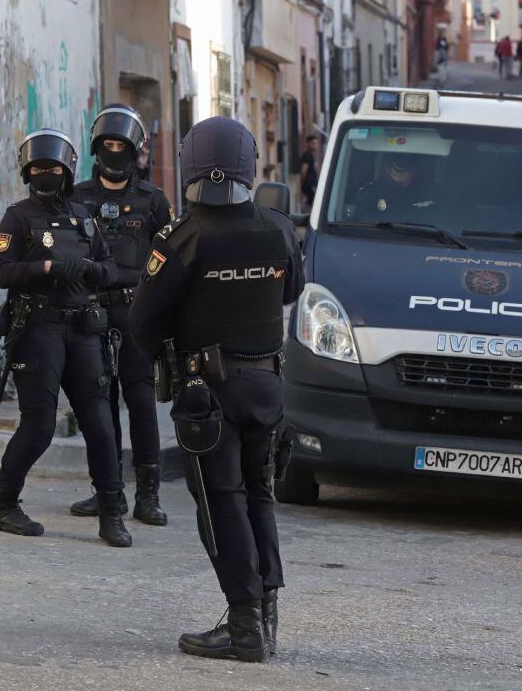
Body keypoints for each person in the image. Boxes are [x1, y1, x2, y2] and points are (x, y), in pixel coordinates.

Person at [130, 116, 304, 663]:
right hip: (267, 386)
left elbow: (142, 323)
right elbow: (291, 289)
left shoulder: (183, 238)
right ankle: (264, 615)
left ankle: (245, 626)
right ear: (250, 164)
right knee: (259, 497)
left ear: (190, 166)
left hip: (209, 391)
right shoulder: (278, 228)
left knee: (220, 504)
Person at [0, 129, 131, 547]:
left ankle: (112, 513)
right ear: (29, 173)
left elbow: (110, 267)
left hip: (83, 327)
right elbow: (0, 271)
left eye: (52, 169)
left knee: (100, 423)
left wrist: (87, 269)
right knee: (40, 425)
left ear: (67, 173)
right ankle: (2, 504)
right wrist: (44, 269)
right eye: (38, 169)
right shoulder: (18, 216)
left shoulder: (84, 217)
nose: (45, 175)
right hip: (39, 329)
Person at [69, 104, 172, 526]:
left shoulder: (154, 201)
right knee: (98, 402)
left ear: (134, 151)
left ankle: (148, 494)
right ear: (97, 150)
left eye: (121, 146)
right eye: (107, 146)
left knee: (141, 400)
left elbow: (170, 260)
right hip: (91, 313)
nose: (114, 153)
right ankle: (106, 489)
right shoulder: (77, 197)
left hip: (136, 314)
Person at [352, 153, 440, 223]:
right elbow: (361, 226)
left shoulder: (431, 193)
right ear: (387, 168)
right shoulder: (371, 194)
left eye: (410, 165)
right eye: (400, 162)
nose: (406, 173)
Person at [299, 135, 321, 213]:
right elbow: (304, 169)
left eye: (316, 143)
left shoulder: (311, 155)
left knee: (311, 201)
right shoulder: (307, 155)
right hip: (309, 185)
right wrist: (303, 181)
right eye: (314, 143)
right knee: (311, 202)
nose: (316, 145)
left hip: (311, 184)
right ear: (308, 144)